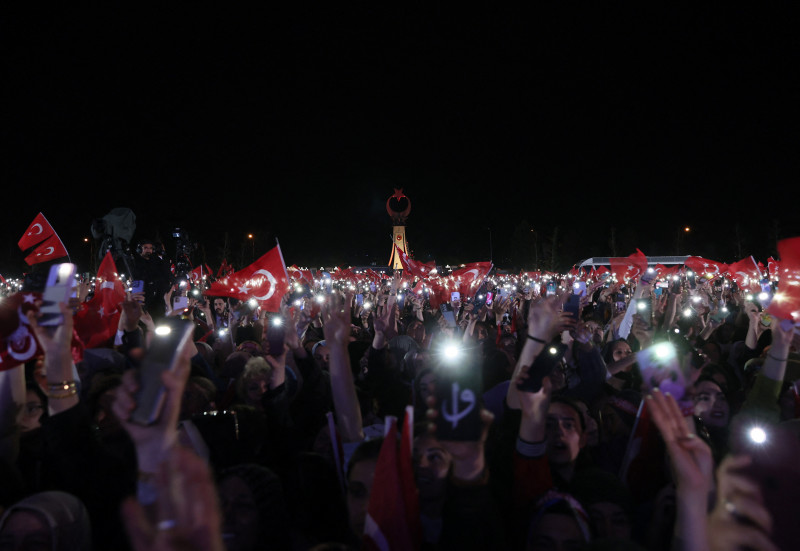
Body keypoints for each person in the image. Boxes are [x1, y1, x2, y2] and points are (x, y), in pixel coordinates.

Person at [131, 238, 173, 318]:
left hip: (156, 301)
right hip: (141, 299)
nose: (148, 250)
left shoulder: (156, 261)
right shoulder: (134, 262)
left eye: (150, 248)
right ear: (140, 249)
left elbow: (167, 274)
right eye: (145, 248)